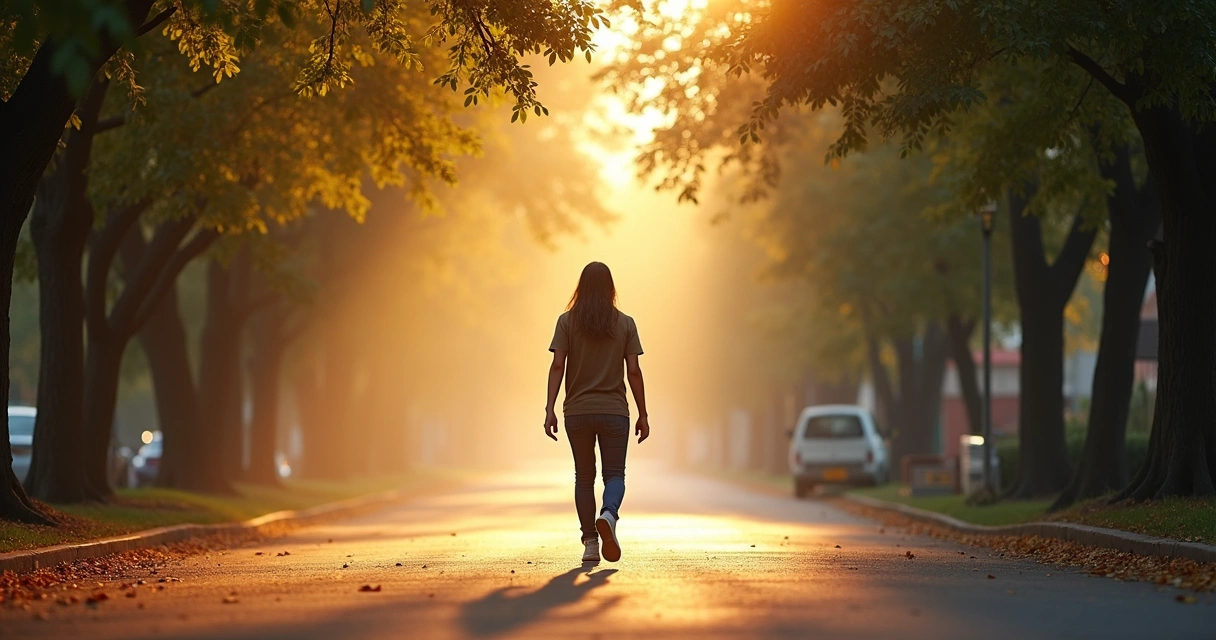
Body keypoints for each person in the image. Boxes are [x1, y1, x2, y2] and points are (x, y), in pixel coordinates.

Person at [545, 262, 649, 563]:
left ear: (581, 287)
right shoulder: (626, 324)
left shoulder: (566, 322)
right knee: (614, 474)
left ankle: (590, 543)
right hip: (615, 412)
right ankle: (609, 513)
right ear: (610, 288)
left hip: (576, 413)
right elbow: (634, 372)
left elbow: (557, 366)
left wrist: (549, 408)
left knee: (584, 477)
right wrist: (643, 413)